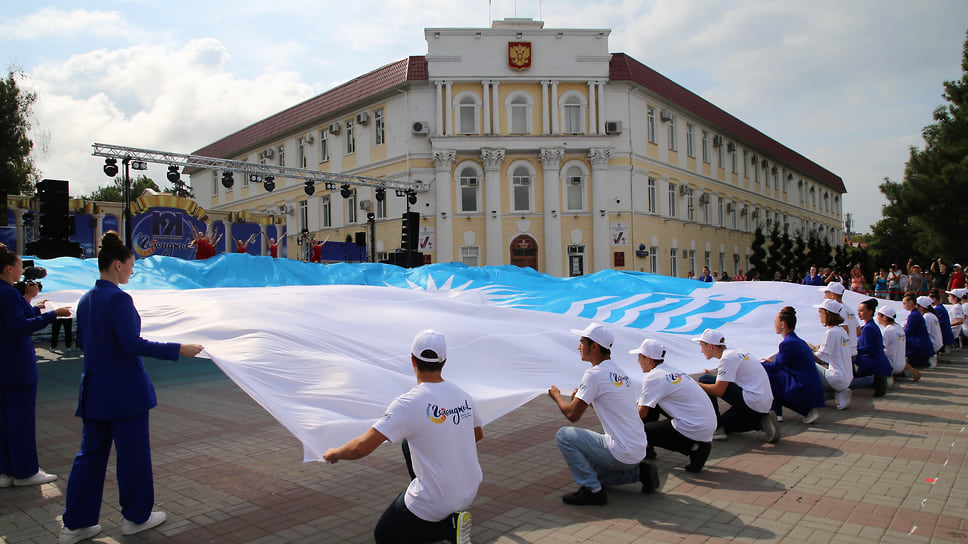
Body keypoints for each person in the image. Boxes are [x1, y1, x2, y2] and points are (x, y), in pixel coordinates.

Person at [60, 232, 204, 544]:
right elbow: (131, 343)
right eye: (130, 265)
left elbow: (87, 344)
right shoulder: (119, 299)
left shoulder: (85, 301)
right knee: (133, 457)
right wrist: (178, 348)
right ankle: (136, 517)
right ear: (116, 265)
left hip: (94, 391)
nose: (132, 271)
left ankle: (76, 523)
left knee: (89, 457)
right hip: (125, 393)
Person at [324, 329, 479, 544]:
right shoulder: (463, 395)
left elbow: (361, 447)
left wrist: (334, 452)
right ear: (444, 362)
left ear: (412, 360)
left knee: (385, 535)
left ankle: (446, 528)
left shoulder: (408, 404)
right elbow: (477, 435)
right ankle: (441, 521)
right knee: (408, 443)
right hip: (469, 488)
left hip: (437, 499)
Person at [548, 323, 655, 505]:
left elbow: (572, 415)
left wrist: (556, 396)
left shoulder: (594, 374)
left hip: (622, 452)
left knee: (564, 436)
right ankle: (638, 473)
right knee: (592, 469)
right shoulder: (620, 373)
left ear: (595, 346)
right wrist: (585, 400)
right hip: (638, 448)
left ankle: (593, 490)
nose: (578, 346)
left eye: (582, 342)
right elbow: (613, 404)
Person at [0, 244, 71, 489]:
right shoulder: (8, 293)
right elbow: (18, 327)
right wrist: (53, 315)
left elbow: (13, 319)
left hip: (5, 366)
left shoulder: (6, 292)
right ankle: (26, 471)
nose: (22, 271)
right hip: (17, 366)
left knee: (6, 421)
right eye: (20, 266)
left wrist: (32, 305)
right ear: (8, 268)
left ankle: (6, 470)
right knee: (21, 421)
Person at [632, 338, 716, 473]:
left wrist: (619, 416)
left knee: (638, 432)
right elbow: (645, 404)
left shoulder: (653, 377)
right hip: (706, 423)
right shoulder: (670, 371)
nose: (637, 361)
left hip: (696, 427)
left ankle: (694, 448)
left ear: (648, 359)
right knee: (652, 405)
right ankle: (648, 449)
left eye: (639, 357)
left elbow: (641, 412)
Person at [695, 328, 779, 442]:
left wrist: (695, 384)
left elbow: (718, 390)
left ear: (710, 346)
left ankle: (715, 426)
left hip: (752, 400)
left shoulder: (726, 358)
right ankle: (761, 422)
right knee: (727, 426)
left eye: (702, 346)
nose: (701, 351)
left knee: (704, 380)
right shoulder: (736, 352)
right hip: (763, 401)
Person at [761, 307, 824, 424]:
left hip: (803, 387)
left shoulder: (787, 343)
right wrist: (770, 363)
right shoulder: (798, 341)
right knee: (774, 378)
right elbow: (784, 364)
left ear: (783, 324)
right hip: (810, 386)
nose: (774, 325)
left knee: (769, 376)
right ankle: (777, 412)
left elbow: (775, 369)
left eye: (776, 323)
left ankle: (778, 412)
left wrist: (757, 365)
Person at [809, 299, 853, 410]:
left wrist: (806, 350)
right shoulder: (842, 331)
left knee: (806, 366)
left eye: (820, 312)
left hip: (836, 377)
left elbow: (820, 358)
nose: (819, 315)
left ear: (827, 313)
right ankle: (838, 394)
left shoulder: (831, 332)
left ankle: (835, 394)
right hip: (847, 376)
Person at [849, 299, 892, 396]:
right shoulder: (870, 326)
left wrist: (851, 350)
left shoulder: (869, 328)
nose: (859, 313)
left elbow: (869, 349)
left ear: (870, 312)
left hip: (873, 363)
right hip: (875, 361)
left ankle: (873, 380)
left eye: (862, 310)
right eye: (858, 310)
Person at [876, 307, 915, 381]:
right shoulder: (899, 328)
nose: (877, 318)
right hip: (901, 366)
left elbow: (881, 348)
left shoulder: (888, 330)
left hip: (892, 366)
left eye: (878, 315)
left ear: (885, 317)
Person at [823, 282, 860, 358]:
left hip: (843, 353)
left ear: (833, 295)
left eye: (826, 294)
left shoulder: (838, 310)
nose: (824, 297)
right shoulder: (848, 309)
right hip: (852, 351)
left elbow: (844, 331)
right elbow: (858, 331)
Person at [901, 292, 933, 369]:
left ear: (911, 302)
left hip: (919, 344)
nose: (903, 305)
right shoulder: (916, 314)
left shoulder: (914, 315)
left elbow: (908, 332)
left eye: (904, 303)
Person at [916, 295, 943, 368]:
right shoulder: (932, 315)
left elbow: (925, 334)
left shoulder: (927, 317)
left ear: (921, 307)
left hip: (933, 344)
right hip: (937, 343)